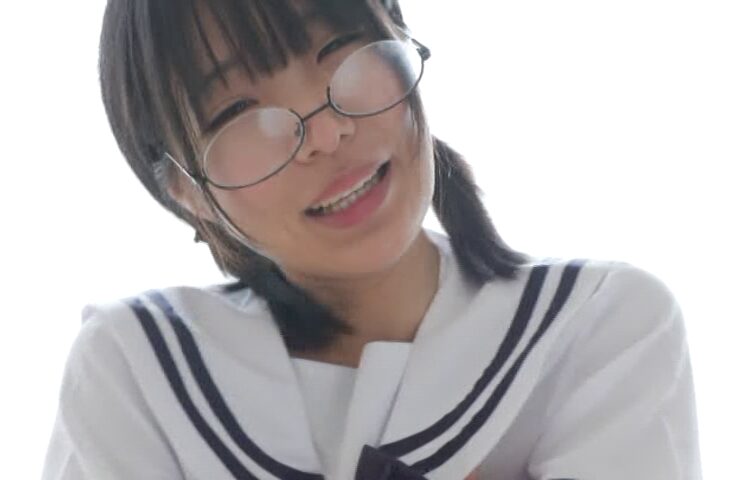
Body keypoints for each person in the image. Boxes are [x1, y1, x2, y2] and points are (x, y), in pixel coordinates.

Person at [42, 0, 702, 478]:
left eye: (339, 52)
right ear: (183, 190)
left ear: (399, 35)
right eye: (239, 111)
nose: (327, 134)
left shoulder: (598, 325)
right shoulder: (136, 368)